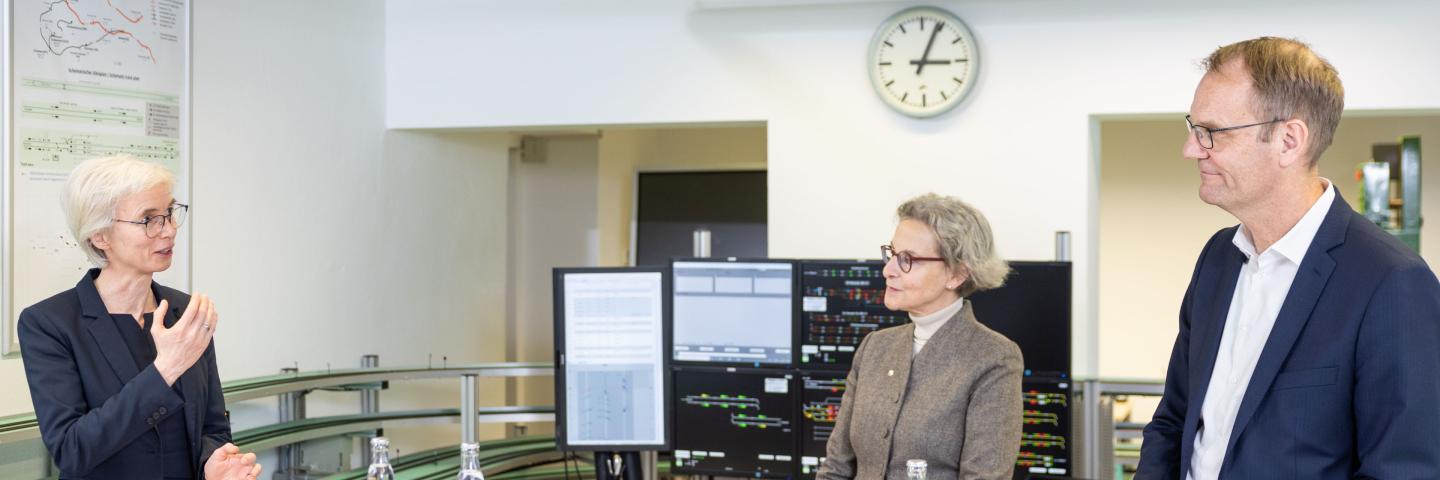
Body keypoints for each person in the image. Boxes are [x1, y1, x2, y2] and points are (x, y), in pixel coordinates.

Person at [1137, 37, 1440, 479]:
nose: (1191, 149)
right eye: (1193, 129)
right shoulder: (1218, 259)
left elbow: (1403, 470)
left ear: (1289, 139)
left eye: (1212, 133)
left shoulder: (1391, 282)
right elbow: (1174, 420)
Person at [19, 155, 262, 479]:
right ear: (100, 235)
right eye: (149, 219)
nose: (169, 230)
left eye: (170, 214)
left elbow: (213, 427)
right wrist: (165, 370)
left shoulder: (186, 312)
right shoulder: (49, 324)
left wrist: (212, 466)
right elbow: (72, 450)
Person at [816, 193, 1023, 480]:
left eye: (907, 260)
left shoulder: (993, 358)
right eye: (891, 254)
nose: (888, 270)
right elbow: (836, 469)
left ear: (957, 274)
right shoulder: (875, 347)